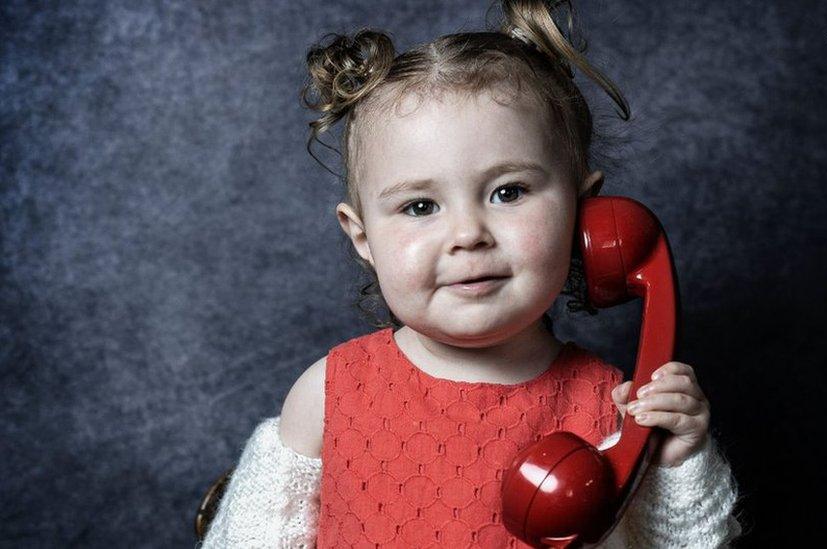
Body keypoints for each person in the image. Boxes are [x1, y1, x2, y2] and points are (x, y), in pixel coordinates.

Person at [201, 1, 740, 547]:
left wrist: (678, 463)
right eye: (419, 206)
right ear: (363, 237)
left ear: (585, 215)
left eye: (508, 192)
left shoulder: (613, 407)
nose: (468, 234)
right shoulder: (328, 394)